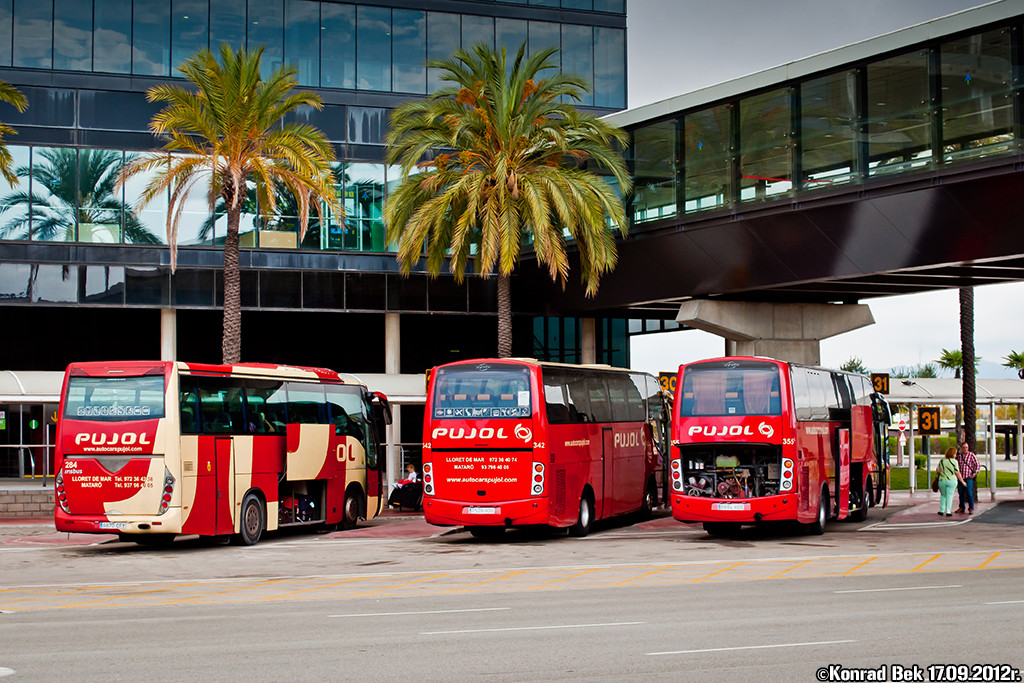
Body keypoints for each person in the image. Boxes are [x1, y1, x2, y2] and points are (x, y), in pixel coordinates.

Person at [936, 446, 966, 517]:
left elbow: (938, 470)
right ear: (953, 454)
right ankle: (948, 511)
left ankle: (941, 510)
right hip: (951, 480)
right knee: (949, 496)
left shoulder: (942, 461)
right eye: (955, 453)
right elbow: (957, 472)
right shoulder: (954, 461)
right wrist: (962, 481)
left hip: (942, 480)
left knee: (943, 495)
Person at [954, 441, 979, 515]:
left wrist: (974, 473)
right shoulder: (958, 457)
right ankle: (961, 507)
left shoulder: (971, 455)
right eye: (964, 447)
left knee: (969, 493)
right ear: (961, 448)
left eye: (966, 447)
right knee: (961, 493)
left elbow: (977, 465)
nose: (965, 449)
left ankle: (971, 508)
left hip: (968, 477)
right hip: (961, 478)